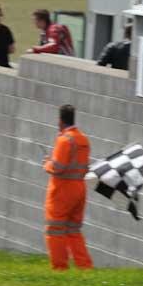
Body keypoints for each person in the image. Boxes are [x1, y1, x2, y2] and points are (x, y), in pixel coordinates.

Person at [43, 104, 93, 271]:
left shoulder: (64, 140)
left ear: (60, 121)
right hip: (80, 189)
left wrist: (46, 164)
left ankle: (60, 268)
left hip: (63, 190)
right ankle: (84, 266)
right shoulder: (83, 140)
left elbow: (58, 167)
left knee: (55, 229)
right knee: (73, 229)